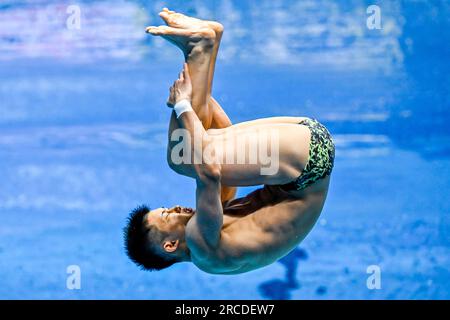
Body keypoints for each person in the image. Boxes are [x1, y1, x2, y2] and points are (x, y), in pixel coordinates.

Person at [124, 9, 335, 274]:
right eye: (168, 214)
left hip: (308, 153)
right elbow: (210, 173)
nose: (176, 207)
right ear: (170, 245)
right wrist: (181, 106)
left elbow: (224, 135)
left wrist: (198, 95)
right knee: (182, 159)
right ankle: (200, 47)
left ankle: (207, 42)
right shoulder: (201, 245)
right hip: (305, 165)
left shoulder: (215, 232)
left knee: (200, 142)